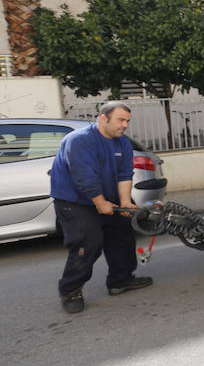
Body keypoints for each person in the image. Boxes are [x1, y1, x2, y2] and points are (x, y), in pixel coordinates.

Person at [52, 101, 153, 314]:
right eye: (121, 120)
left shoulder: (122, 143)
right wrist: (99, 203)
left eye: (127, 121)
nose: (125, 125)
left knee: (122, 233)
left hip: (108, 197)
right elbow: (84, 177)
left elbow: (125, 174)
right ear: (103, 118)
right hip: (75, 201)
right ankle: (70, 290)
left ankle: (120, 280)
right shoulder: (79, 140)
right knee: (89, 242)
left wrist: (125, 203)